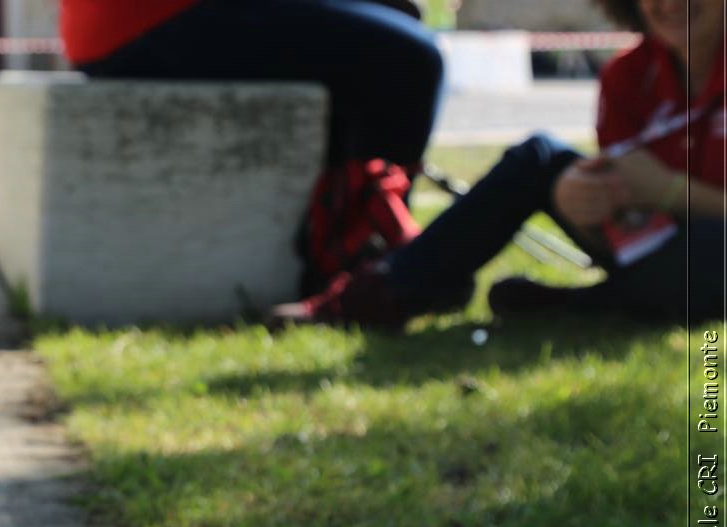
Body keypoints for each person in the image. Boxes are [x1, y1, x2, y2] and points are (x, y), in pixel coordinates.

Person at [272, 0, 726, 328]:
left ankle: (580, 304)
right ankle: (387, 291)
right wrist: (580, 196)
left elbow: (658, 192)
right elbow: (630, 207)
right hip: (658, 244)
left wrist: (669, 190)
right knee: (541, 155)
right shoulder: (627, 76)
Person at [59, 0, 444, 290]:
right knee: (412, 60)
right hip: (150, 20)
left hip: (119, 26)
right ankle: (363, 260)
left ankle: (366, 237)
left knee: (393, 40)